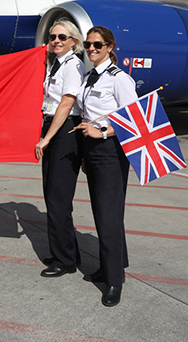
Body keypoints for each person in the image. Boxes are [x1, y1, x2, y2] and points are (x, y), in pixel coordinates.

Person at [74, 26, 138, 307]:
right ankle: (112, 264)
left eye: (97, 45)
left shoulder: (119, 79)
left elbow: (135, 119)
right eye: (88, 44)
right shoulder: (90, 77)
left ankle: (114, 281)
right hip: (93, 151)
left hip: (110, 151)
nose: (91, 49)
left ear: (110, 47)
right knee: (103, 213)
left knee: (108, 215)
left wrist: (103, 133)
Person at [35, 19, 86, 278]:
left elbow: (67, 103)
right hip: (53, 126)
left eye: (62, 37)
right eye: (53, 36)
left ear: (73, 42)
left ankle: (65, 261)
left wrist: (47, 138)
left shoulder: (74, 65)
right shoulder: (56, 63)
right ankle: (65, 252)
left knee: (58, 200)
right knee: (52, 196)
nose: (56, 40)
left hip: (64, 131)